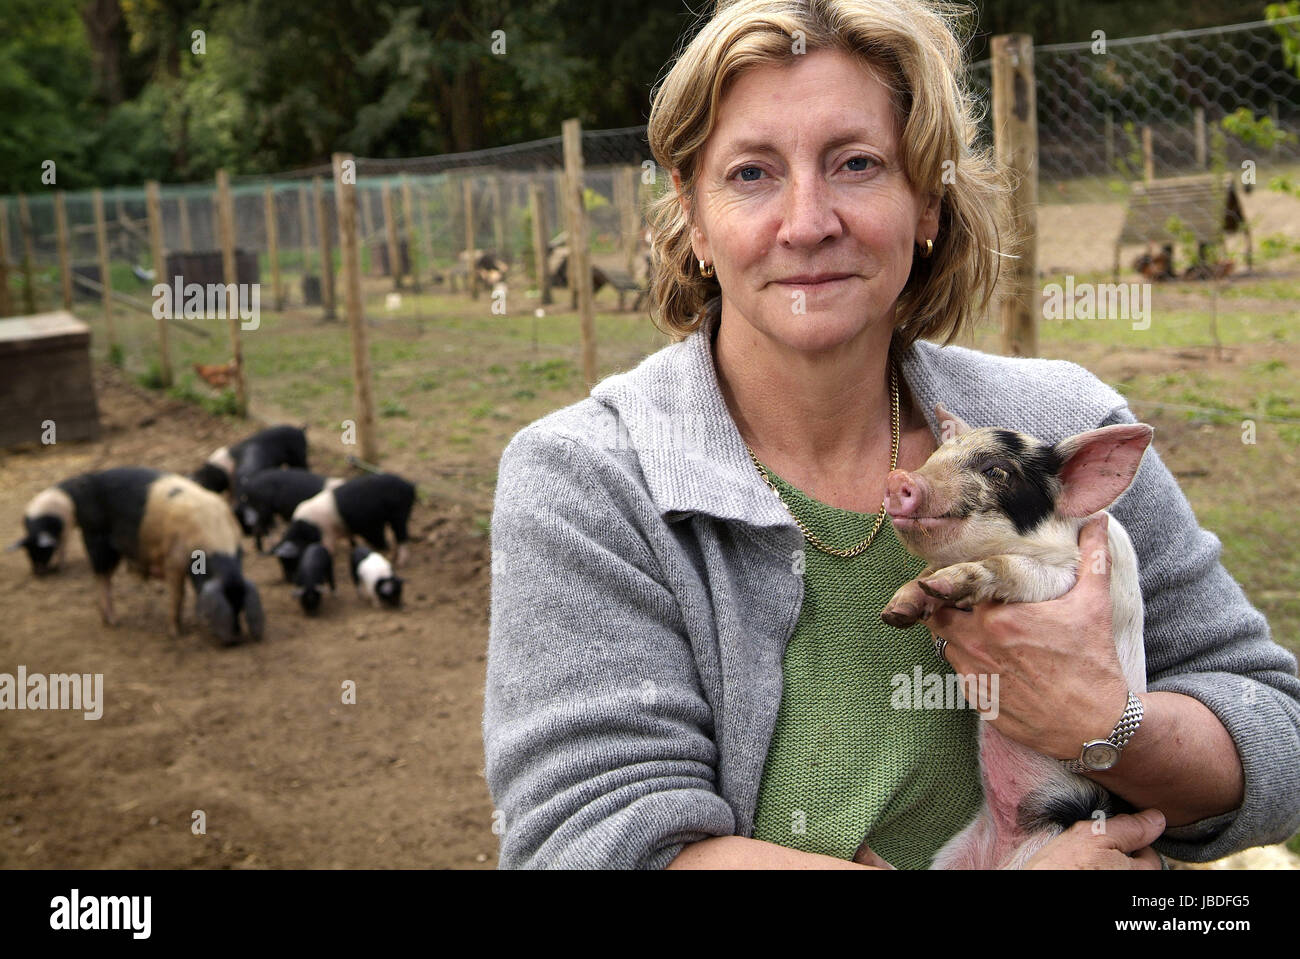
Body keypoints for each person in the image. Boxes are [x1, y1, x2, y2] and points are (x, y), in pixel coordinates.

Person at [483, 0, 1300, 869]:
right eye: (752, 173)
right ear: (692, 217)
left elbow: (1275, 738)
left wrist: (1106, 725)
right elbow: (590, 842)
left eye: (857, 163)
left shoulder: (1063, 433)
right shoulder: (590, 480)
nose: (807, 221)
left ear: (928, 203)